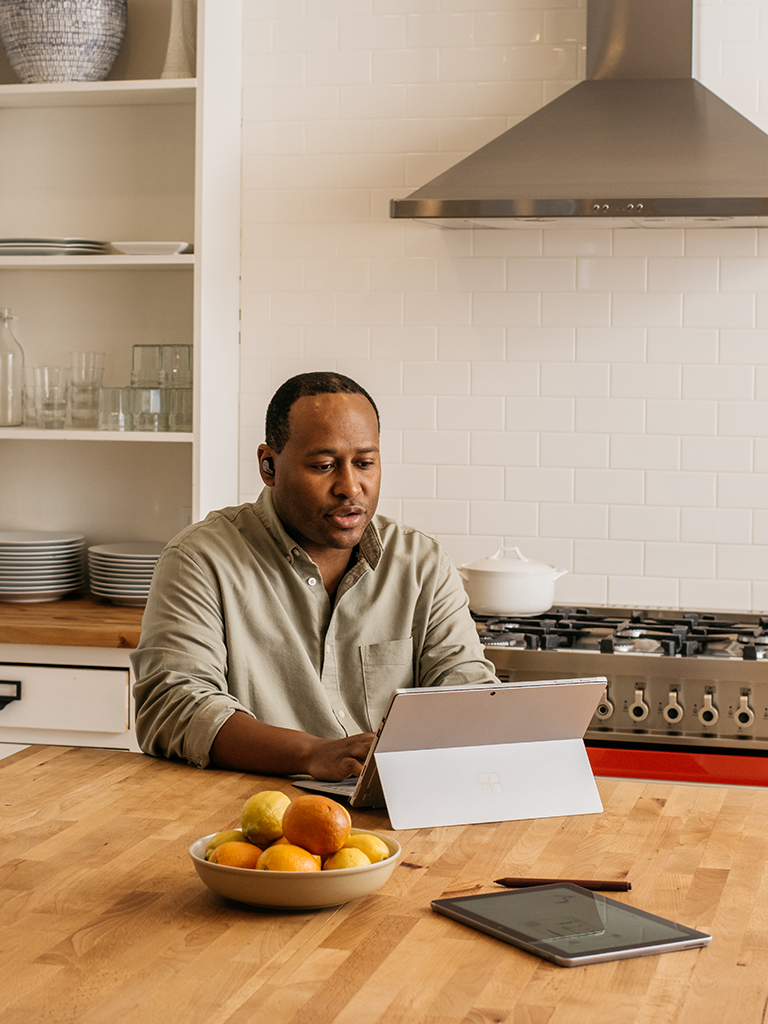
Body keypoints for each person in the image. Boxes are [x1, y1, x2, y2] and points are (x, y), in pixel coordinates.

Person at [131, 371, 497, 780]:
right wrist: (314, 754)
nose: (350, 487)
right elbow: (174, 706)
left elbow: (465, 685)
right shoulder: (200, 560)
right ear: (268, 465)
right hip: (252, 814)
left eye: (365, 463)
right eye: (324, 465)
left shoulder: (421, 561)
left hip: (393, 809)